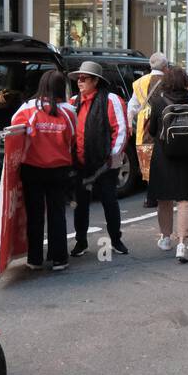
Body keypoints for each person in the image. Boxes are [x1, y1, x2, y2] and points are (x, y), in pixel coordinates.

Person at [5, 69, 76, 271]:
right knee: (57, 213)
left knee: (35, 215)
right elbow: (71, 138)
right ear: (62, 87)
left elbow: (13, 130)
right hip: (60, 169)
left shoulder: (27, 108)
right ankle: (59, 258)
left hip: (32, 169)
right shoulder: (69, 111)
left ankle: (34, 259)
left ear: (42, 86)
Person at [146, 66, 188, 263]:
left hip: (164, 156)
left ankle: (165, 239)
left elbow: (153, 130)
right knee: (184, 201)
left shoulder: (158, 102)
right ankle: (182, 243)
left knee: (164, 199)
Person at [69, 60, 129, 257]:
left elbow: (120, 130)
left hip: (105, 165)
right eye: (78, 78)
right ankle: (81, 241)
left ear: (95, 81)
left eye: (84, 78)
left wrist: (112, 156)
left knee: (109, 202)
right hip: (80, 164)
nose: (80, 81)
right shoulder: (73, 102)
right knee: (80, 204)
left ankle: (115, 239)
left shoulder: (111, 100)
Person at [127, 53, 169, 209]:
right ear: (165, 66)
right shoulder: (169, 81)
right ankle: (163, 193)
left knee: (148, 161)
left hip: (144, 125)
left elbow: (132, 106)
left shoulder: (138, 83)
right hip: (165, 122)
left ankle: (150, 196)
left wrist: (129, 123)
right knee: (164, 158)